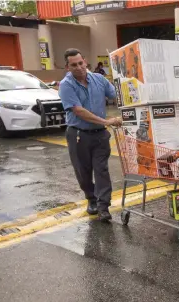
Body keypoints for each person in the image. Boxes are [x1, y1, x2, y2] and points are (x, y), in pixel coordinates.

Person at [58, 48, 122, 222]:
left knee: (101, 170)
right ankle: (91, 198)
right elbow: (78, 111)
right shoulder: (66, 85)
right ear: (67, 67)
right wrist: (106, 121)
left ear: (85, 61)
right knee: (83, 172)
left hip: (100, 136)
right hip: (79, 135)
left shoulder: (99, 79)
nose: (79, 67)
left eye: (81, 63)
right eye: (74, 65)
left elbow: (118, 94)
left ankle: (103, 207)